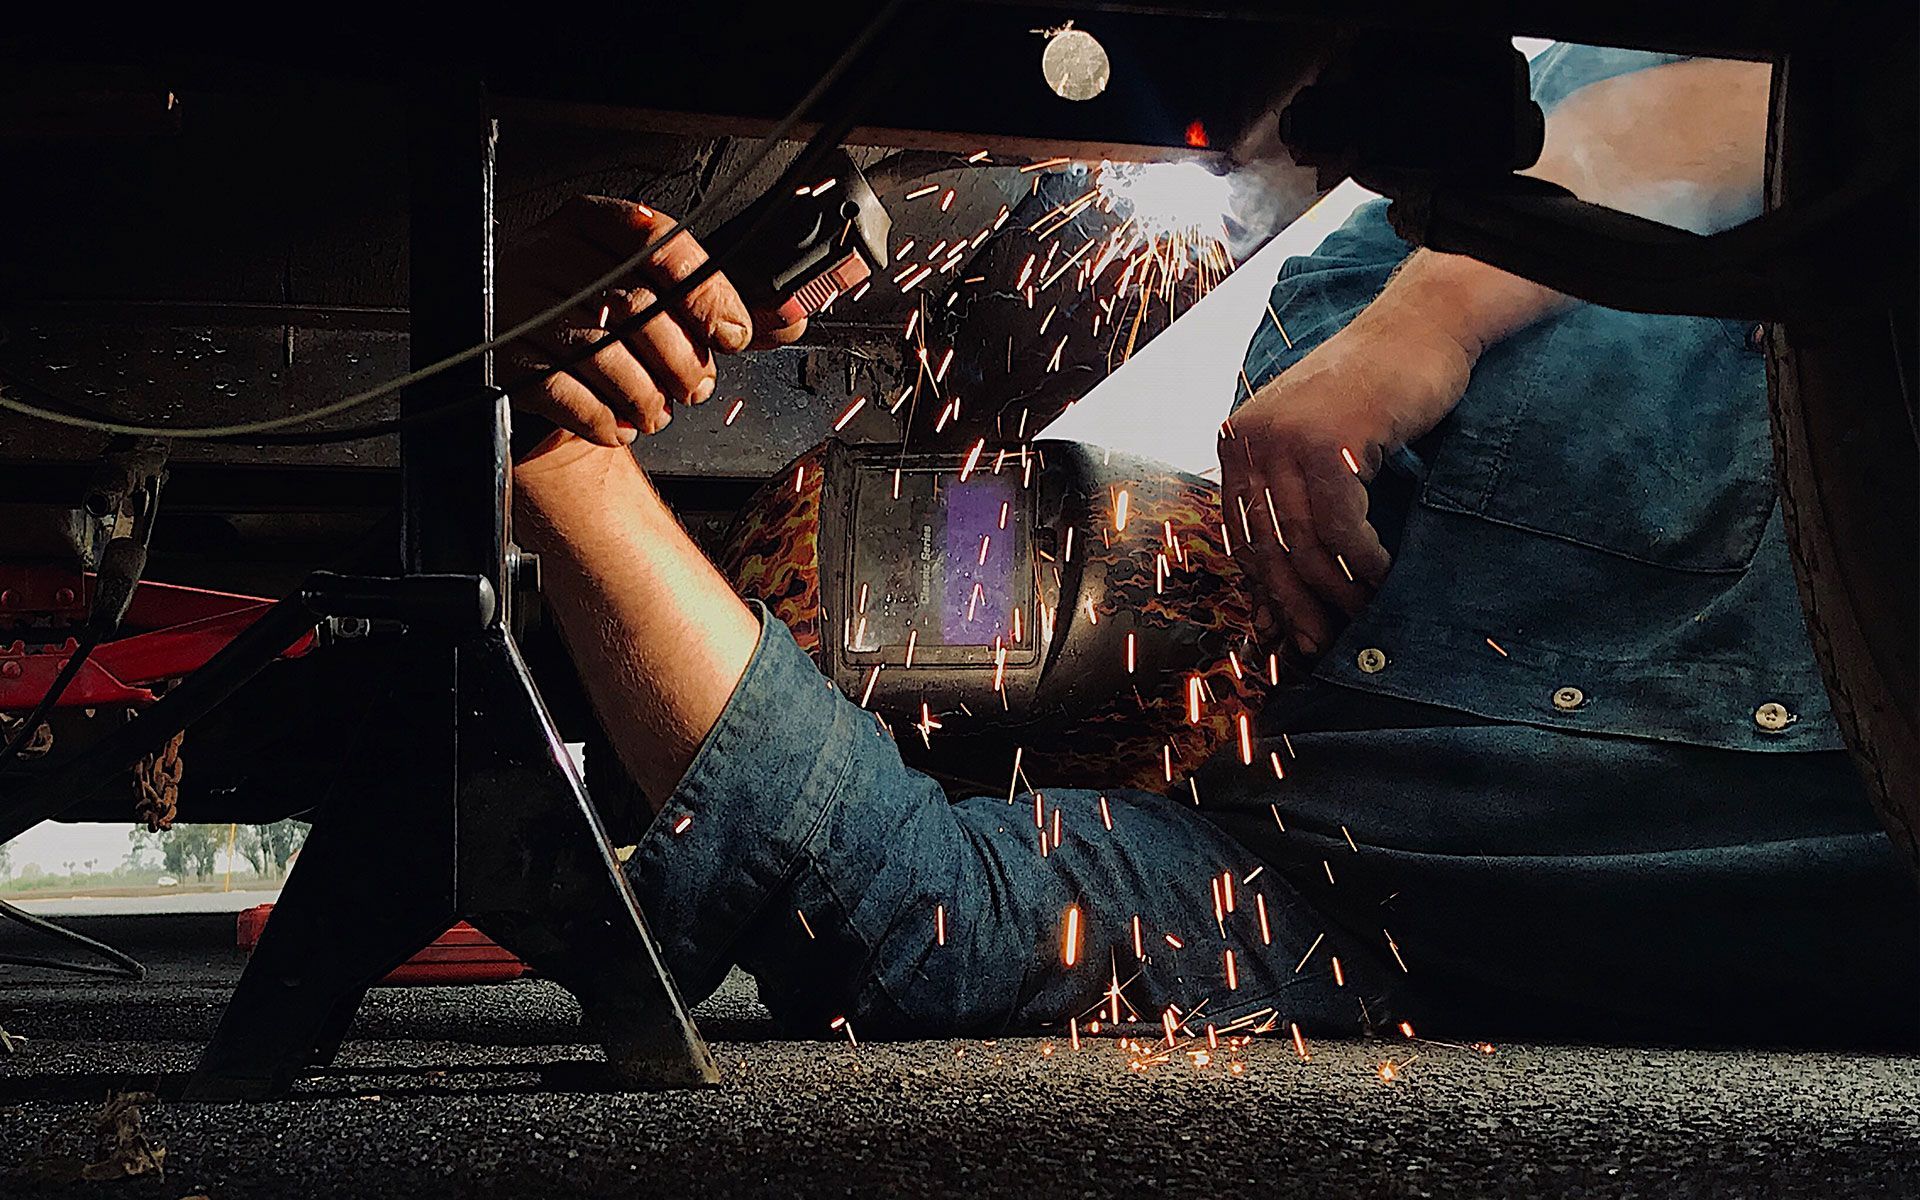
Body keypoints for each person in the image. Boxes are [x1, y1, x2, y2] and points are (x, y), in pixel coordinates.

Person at [503, 44, 1918, 1046]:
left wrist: (1425, 327)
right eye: (969, 620)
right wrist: (554, 450)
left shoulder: (1364, 296)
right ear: (1004, 745)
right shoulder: (1284, 895)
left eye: (995, 519)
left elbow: (1792, 93)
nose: (1074, 575)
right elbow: (880, 913)